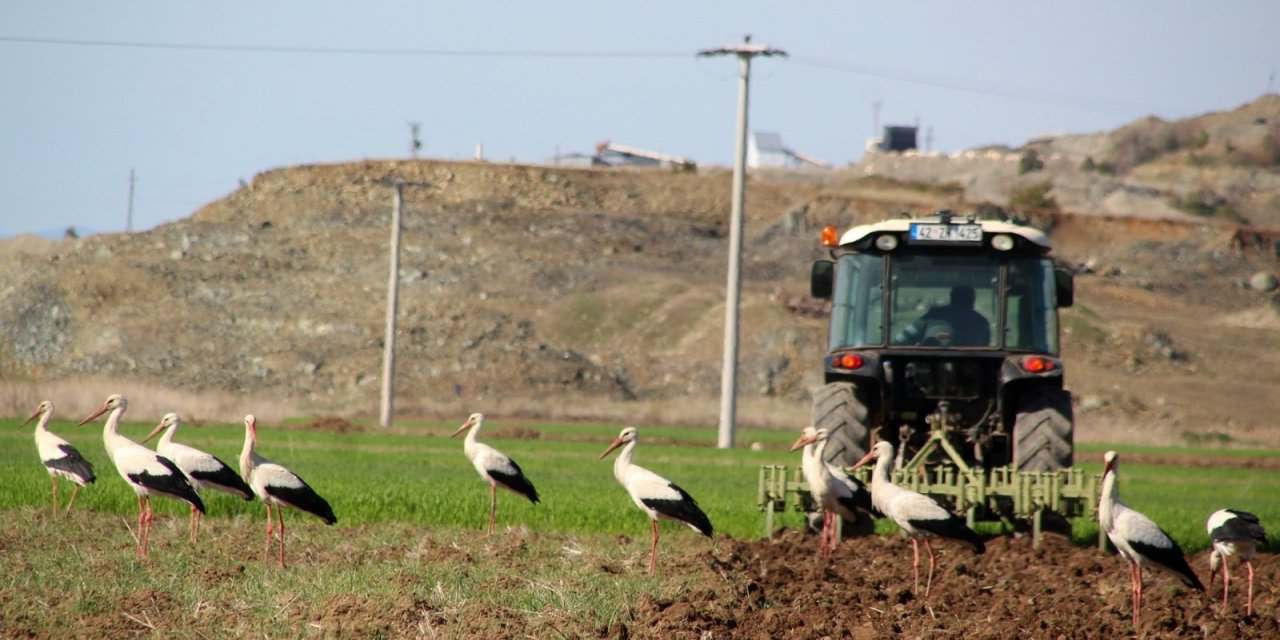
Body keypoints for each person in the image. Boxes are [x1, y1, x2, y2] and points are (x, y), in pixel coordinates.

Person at [894, 285, 991, 346]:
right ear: (972, 301)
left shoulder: (933, 316)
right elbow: (985, 345)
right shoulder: (981, 322)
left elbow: (900, 340)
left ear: (952, 298)